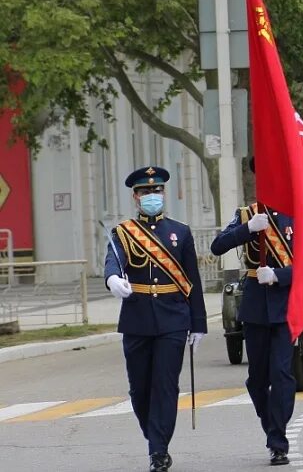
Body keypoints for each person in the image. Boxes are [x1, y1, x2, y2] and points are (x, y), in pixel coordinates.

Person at [209, 157, 303, 466]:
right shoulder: (247, 214)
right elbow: (217, 246)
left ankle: (278, 440)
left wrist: (280, 275)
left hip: (286, 304)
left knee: (282, 374)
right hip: (256, 305)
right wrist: (247, 229)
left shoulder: (299, 213)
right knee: (257, 378)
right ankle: (272, 424)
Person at [104, 166, 207, 472]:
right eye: (146, 192)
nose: (153, 196)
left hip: (173, 318)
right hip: (137, 318)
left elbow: (193, 281)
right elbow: (114, 259)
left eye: (157, 191)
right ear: (136, 198)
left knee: (165, 385)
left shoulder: (181, 232)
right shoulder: (123, 233)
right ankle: (155, 438)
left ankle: (158, 451)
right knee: (139, 389)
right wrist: (112, 279)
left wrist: (198, 323)